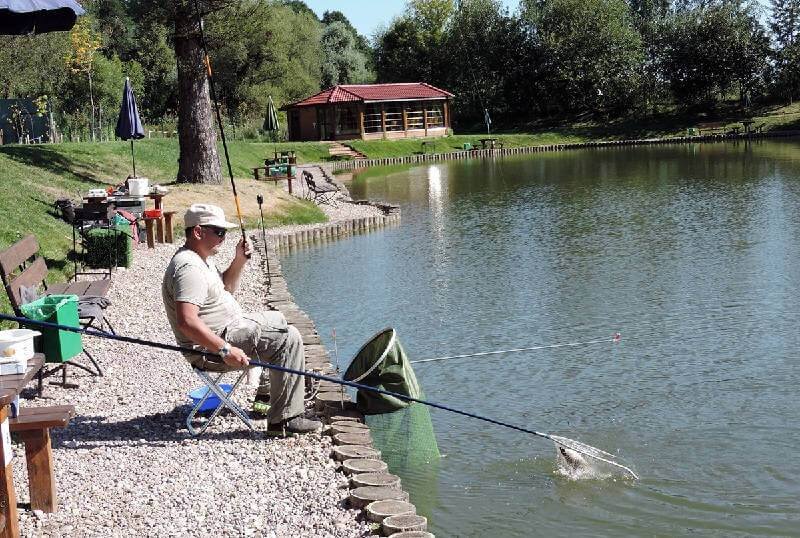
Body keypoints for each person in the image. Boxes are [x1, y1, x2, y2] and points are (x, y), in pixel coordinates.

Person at [162, 203, 321, 434]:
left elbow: (225, 288)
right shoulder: (188, 267)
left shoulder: (201, 259)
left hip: (227, 332)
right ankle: (284, 420)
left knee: (277, 320)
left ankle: (267, 398)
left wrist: (239, 260)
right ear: (198, 232)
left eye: (224, 232)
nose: (223, 237)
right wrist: (225, 350)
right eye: (218, 232)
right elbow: (187, 322)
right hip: (210, 351)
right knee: (289, 338)